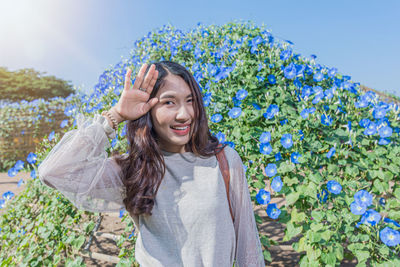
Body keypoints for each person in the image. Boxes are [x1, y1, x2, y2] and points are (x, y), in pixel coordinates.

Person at [38, 61, 265, 266]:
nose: (184, 114)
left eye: (190, 101)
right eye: (169, 102)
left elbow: (248, 248)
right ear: (147, 110)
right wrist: (115, 115)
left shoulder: (222, 161)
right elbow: (53, 172)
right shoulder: (134, 169)